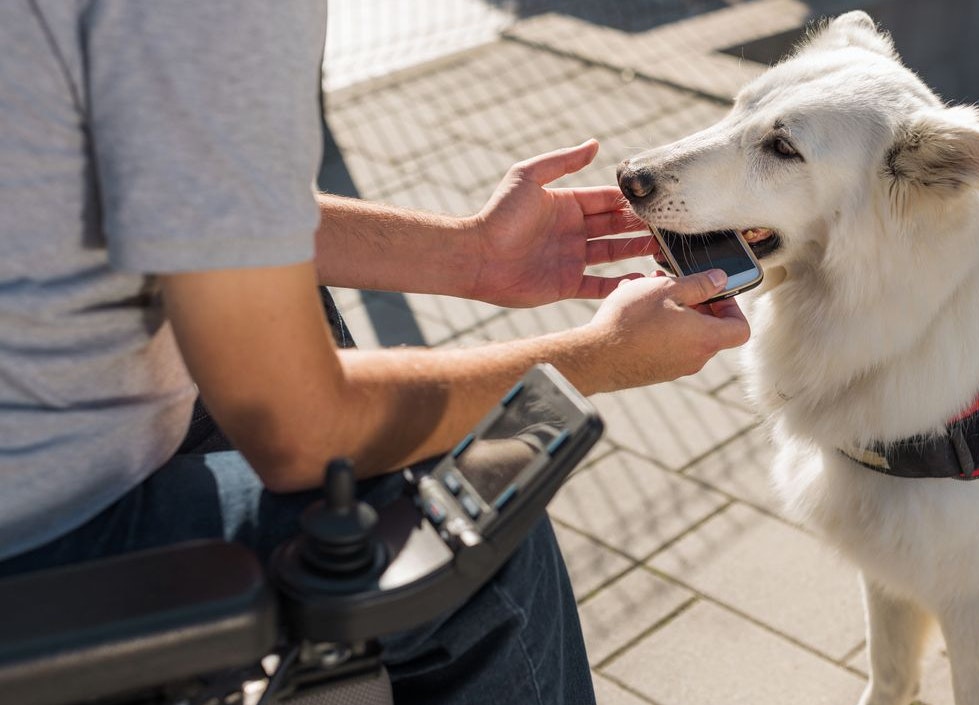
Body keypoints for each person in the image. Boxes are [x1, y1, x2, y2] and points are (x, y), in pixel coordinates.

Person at [0, 3, 749, 704]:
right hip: (38, 544)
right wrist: (596, 357)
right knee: (468, 503)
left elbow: (195, 210)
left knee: (294, 305)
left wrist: (473, 254)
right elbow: (304, 429)